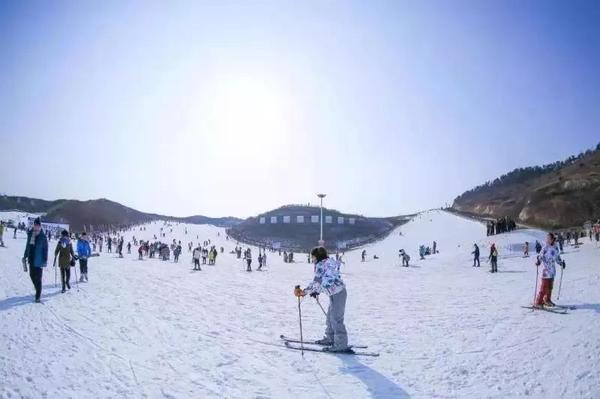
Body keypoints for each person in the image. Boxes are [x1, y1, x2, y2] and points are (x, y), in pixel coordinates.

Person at [295, 246, 351, 353]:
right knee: (330, 317)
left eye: (313, 257)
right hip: (336, 293)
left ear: (317, 256)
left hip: (338, 293)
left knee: (336, 319)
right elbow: (322, 282)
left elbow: (318, 282)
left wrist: (305, 292)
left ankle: (341, 344)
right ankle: (330, 338)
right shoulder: (326, 263)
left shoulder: (321, 265)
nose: (312, 259)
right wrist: (315, 290)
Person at [534, 233, 565, 307]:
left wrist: (561, 263)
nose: (547, 240)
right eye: (546, 239)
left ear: (552, 239)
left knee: (550, 287)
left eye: (549, 239)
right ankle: (538, 302)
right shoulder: (545, 248)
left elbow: (557, 258)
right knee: (544, 287)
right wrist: (538, 261)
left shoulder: (555, 247)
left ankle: (547, 300)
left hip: (552, 271)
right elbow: (540, 256)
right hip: (545, 271)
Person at [22, 218, 48, 302]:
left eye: (38, 225)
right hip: (31, 258)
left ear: (40, 226)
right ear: (33, 225)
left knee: (38, 278)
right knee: (32, 275)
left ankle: (38, 295)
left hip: (39, 259)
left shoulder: (43, 237)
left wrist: (45, 260)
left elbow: (45, 249)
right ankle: (37, 288)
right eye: (35, 225)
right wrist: (25, 255)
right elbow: (27, 246)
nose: (36, 227)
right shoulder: (30, 234)